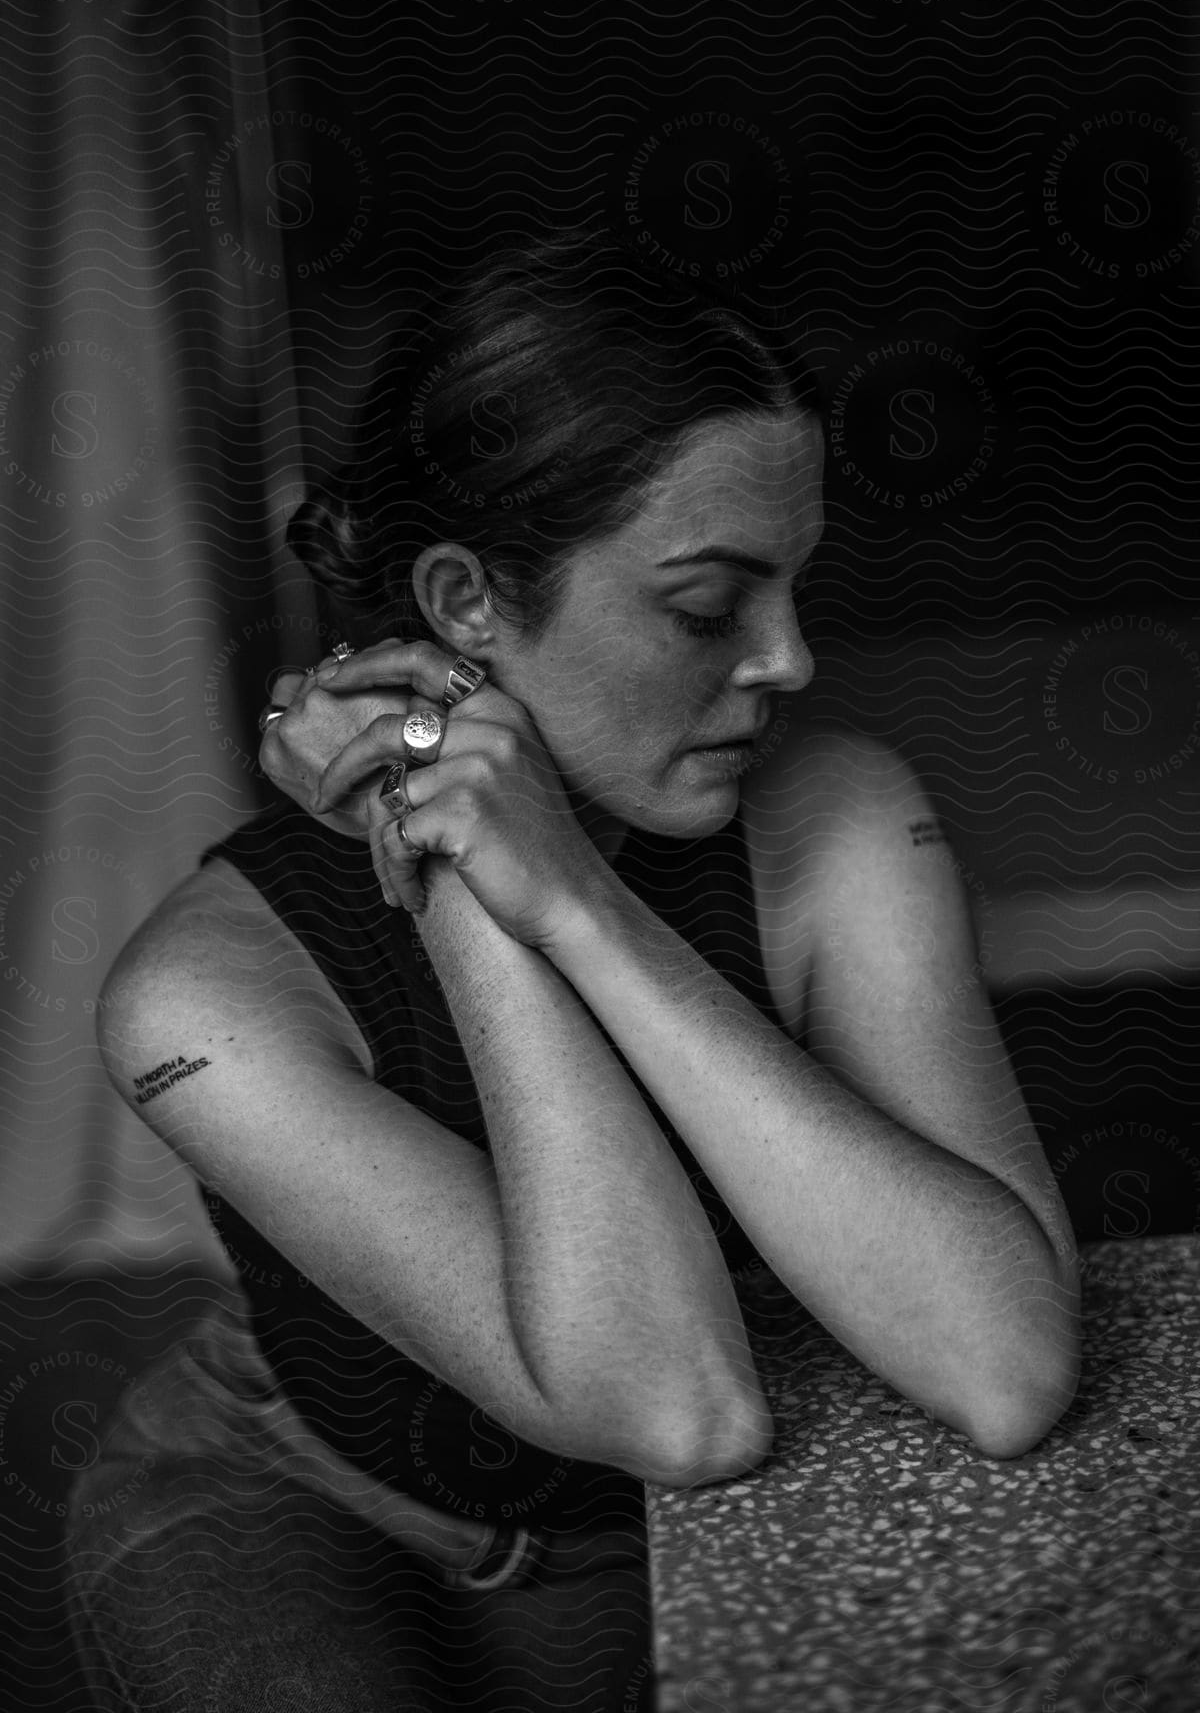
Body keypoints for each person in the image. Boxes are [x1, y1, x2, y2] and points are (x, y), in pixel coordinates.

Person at [64, 227, 1081, 1712]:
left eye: (795, 588)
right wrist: (463, 878)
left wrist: (586, 906)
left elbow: (1003, 1367)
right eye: (706, 604)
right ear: (469, 603)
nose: (788, 662)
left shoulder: (845, 819)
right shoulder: (194, 1003)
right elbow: (677, 1409)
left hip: (681, 1514)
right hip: (293, 1500)